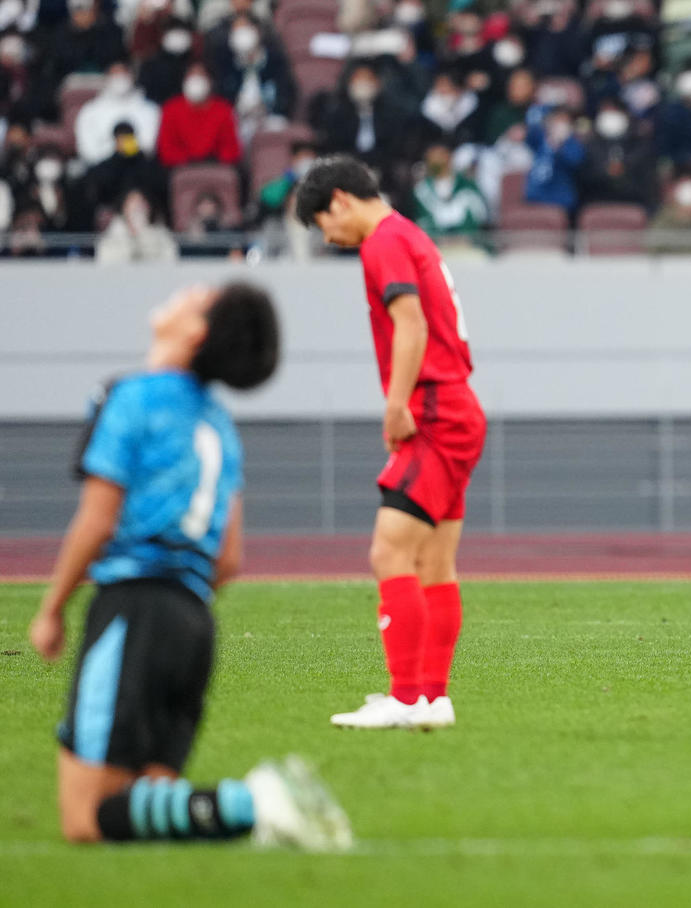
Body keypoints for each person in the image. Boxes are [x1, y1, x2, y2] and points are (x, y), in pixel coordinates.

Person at [27, 281, 349, 849]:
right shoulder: (220, 426)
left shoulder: (130, 398)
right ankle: (246, 812)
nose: (181, 295)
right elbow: (229, 558)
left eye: (195, 298)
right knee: (146, 812)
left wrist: (52, 607)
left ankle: (251, 803)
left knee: (84, 818)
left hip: (133, 610)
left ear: (197, 331)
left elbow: (98, 522)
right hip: (194, 624)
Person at [295, 156, 487, 729]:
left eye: (323, 224)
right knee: (434, 562)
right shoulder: (410, 234)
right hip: (457, 406)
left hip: (432, 410)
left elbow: (411, 323)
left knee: (389, 552)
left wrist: (397, 402)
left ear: (339, 201)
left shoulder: (383, 243)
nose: (328, 237)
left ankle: (405, 699)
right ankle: (433, 697)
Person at [156, 62, 242, 168]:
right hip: (180, 168)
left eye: (201, 76)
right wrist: (188, 160)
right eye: (191, 76)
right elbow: (166, 149)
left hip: (217, 167)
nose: (196, 81)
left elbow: (232, 149)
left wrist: (213, 161)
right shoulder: (171, 109)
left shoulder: (223, 109)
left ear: (210, 81)